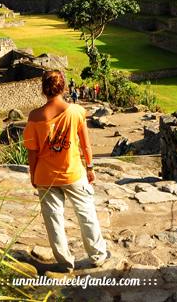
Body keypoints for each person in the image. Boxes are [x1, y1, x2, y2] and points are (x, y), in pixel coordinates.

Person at [24, 70, 110, 271]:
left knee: (53, 218)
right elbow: (86, 145)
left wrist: (33, 175)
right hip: (73, 173)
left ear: (43, 90)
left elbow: (32, 152)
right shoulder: (76, 111)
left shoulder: (35, 116)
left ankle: (64, 262)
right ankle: (97, 255)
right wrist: (90, 167)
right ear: (63, 88)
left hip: (45, 175)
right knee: (86, 213)